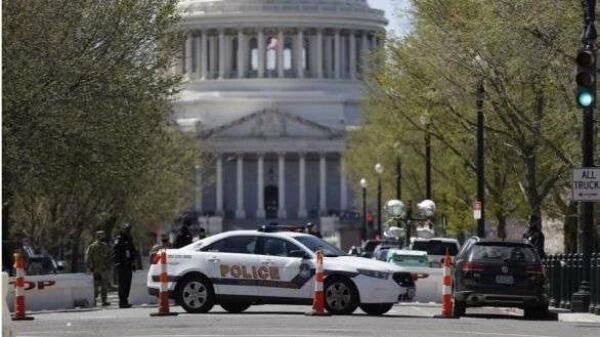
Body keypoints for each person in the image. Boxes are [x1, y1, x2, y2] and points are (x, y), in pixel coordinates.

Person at [112, 224, 138, 308]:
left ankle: (125, 300)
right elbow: (115, 253)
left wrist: (133, 263)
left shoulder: (129, 239)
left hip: (128, 264)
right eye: (126, 229)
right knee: (122, 284)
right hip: (122, 265)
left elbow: (133, 252)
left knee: (127, 283)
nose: (127, 231)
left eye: (128, 230)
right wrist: (117, 263)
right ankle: (122, 301)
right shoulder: (119, 239)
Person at [85, 230, 112, 306]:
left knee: (102, 286)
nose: (103, 237)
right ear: (98, 237)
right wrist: (90, 267)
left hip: (101, 269)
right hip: (98, 269)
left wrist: (108, 266)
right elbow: (88, 257)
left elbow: (109, 257)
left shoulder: (104, 246)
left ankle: (102, 301)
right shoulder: (93, 246)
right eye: (102, 236)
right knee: (98, 286)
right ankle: (96, 300)